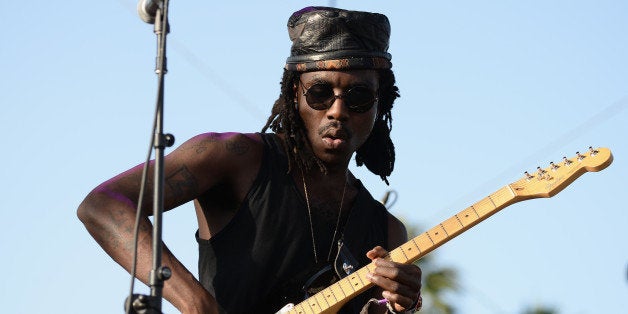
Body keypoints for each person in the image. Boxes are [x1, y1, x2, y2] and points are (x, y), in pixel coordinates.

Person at [78, 6, 422, 314]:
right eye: (319, 93)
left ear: (381, 105)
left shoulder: (387, 231)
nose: (337, 110)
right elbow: (103, 205)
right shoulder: (233, 158)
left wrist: (397, 307)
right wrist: (196, 304)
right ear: (294, 94)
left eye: (358, 97)